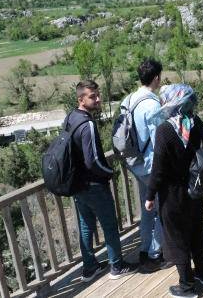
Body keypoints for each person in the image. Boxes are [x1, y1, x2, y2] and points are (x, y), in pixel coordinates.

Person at [66, 80, 138, 282]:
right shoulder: (87, 124)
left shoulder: (71, 118)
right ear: (81, 99)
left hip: (78, 185)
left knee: (86, 225)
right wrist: (109, 172)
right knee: (109, 225)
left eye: (98, 95)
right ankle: (117, 265)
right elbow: (93, 161)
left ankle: (89, 268)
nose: (97, 99)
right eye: (92, 96)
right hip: (94, 185)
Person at [145, 84, 203, 298]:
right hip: (196, 190)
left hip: (173, 195)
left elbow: (158, 168)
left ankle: (187, 287)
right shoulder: (198, 124)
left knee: (177, 238)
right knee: (196, 231)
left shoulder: (165, 129)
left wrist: (149, 195)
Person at [124, 58, 166, 273]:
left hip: (136, 164)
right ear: (156, 77)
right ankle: (155, 254)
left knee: (147, 208)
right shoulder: (152, 104)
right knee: (159, 210)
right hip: (151, 166)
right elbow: (160, 141)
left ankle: (143, 247)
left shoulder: (130, 99)